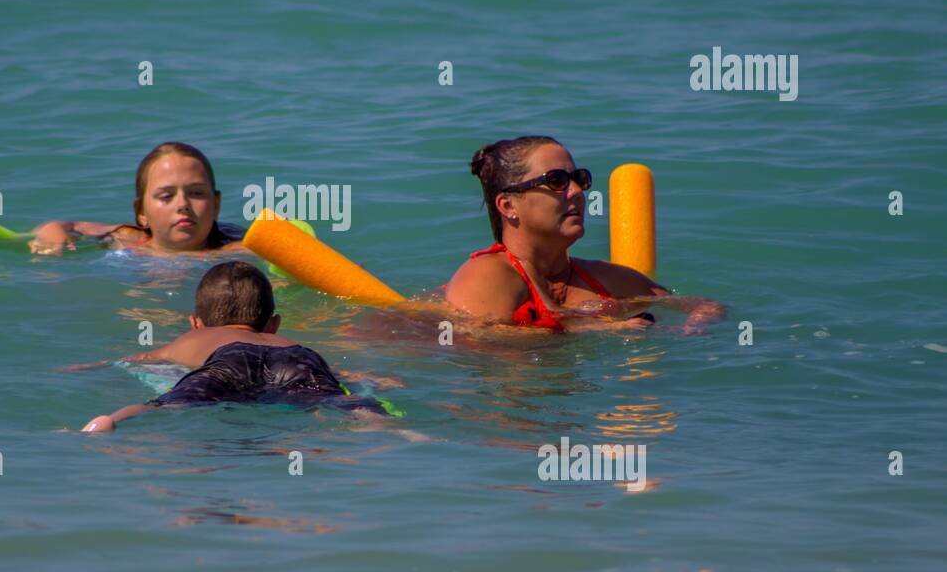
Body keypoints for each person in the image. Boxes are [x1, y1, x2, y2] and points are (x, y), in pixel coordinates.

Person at [445, 136, 723, 334]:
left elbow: (703, 304)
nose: (577, 191)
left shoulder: (601, 278)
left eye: (579, 179)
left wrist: (696, 325)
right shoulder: (488, 275)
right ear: (508, 205)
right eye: (556, 181)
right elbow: (475, 341)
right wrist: (593, 328)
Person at [82, 262, 393, 432]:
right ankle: (385, 426)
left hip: (229, 362)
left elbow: (142, 359)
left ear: (196, 324)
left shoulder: (195, 338)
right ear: (273, 325)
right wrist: (366, 377)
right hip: (296, 360)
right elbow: (338, 375)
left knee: (165, 405)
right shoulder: (282, 341)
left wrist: (93, 365)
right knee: (341, 402)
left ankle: (111, 422)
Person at [29, 142, 245, 254]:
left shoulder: (237, 249)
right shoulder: (128, 238)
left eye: (196, 193)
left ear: (216, 205)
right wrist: (52, 234)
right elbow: (69, 226)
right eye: (166, 196)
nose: (183, 205)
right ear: (141, 212)